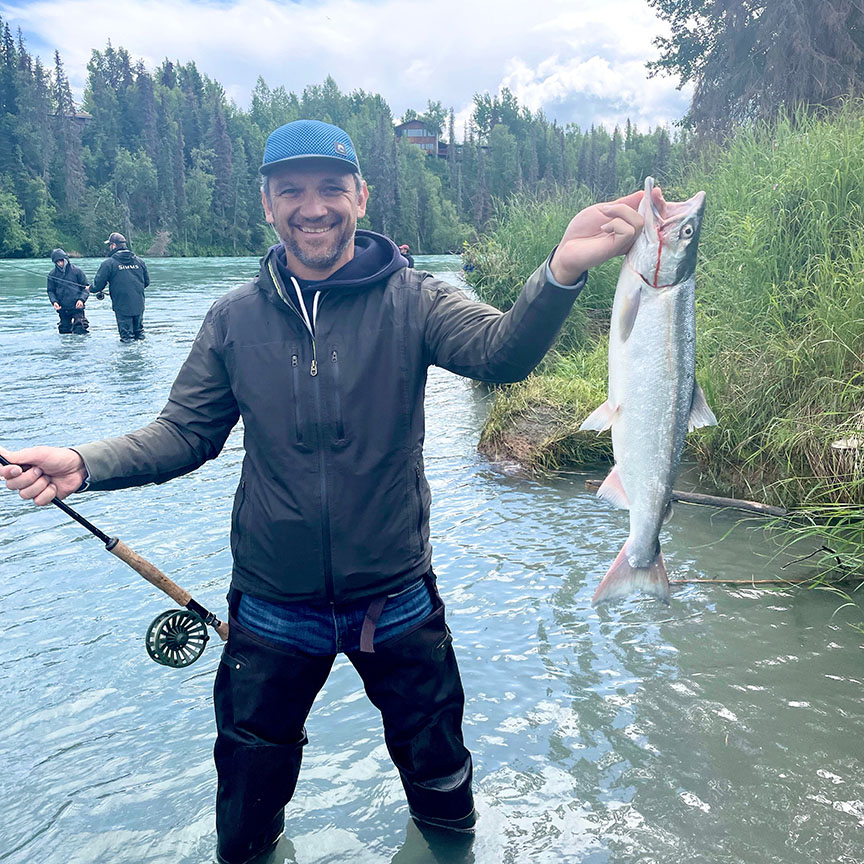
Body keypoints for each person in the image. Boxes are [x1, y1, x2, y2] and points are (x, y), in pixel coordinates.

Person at [0, 119, 661, 864]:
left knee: (445, 798)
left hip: (398, 600)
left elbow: (498, 354)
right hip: (273, 610)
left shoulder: (416, 300)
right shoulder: (232, 320)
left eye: (330, 189)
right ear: (267, 205)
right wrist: (83, 463)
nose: (312, 207)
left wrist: (563, 269)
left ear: (361, 197)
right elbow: (184, 434)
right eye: (292, 192)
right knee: (246, 824)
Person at [92, 232, 149, 342]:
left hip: (122, 306)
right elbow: (146, 282)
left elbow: (98, 285)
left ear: (114, 245)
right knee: (139, 334)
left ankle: (129, 359)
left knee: (127, 338)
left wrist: (90, 289)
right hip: (139, 304)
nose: (109, 247)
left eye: (110, 245)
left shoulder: (109, 263)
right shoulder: (139, 261)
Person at [47, 248, 90, 334]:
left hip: (77, 307)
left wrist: (81, 300)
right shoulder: (52, 275)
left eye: (61, 261)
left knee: (80, 328)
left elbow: (86, 287)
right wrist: (54, 302)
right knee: (64, 330)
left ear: (65, 259)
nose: (60, 263)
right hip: (62, 308)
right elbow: (50, 291)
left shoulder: (77, 271)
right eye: (57, 262)